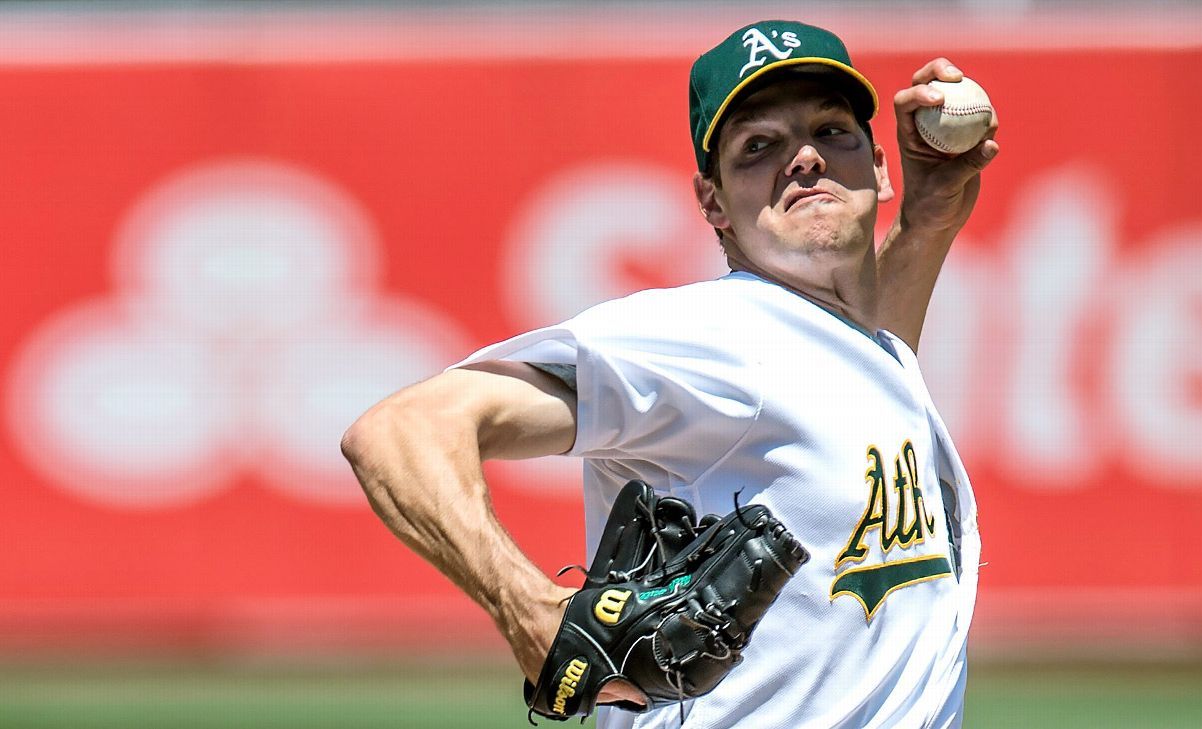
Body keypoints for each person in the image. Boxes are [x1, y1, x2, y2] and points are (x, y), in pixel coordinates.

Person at [342, 19, 997, 728]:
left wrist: (927, 225)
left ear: (878, 167)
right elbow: (399, 431)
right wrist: (526, 605)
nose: (805, 158)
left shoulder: (853, 350)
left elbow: (847, 375)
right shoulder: (714, 337)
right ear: (712, 202)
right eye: (758, 146)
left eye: (830, 131)